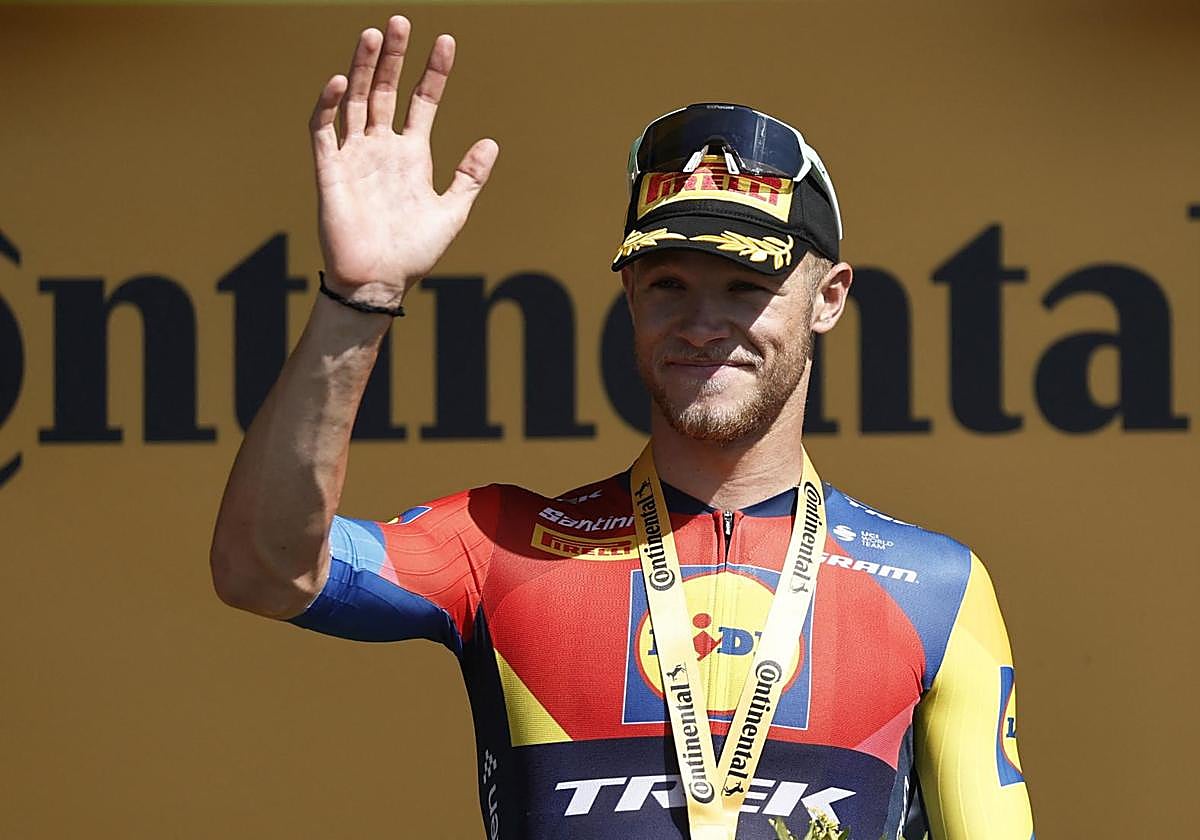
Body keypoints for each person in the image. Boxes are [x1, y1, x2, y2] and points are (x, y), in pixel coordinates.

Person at [210, 16, 1034, 840]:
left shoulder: (937, 589)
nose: (703, 323)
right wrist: (360, 300)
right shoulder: (498, 544)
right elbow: (262, 569)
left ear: (829, 298)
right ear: (631, 299)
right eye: (669, 283)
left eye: (746, 287)